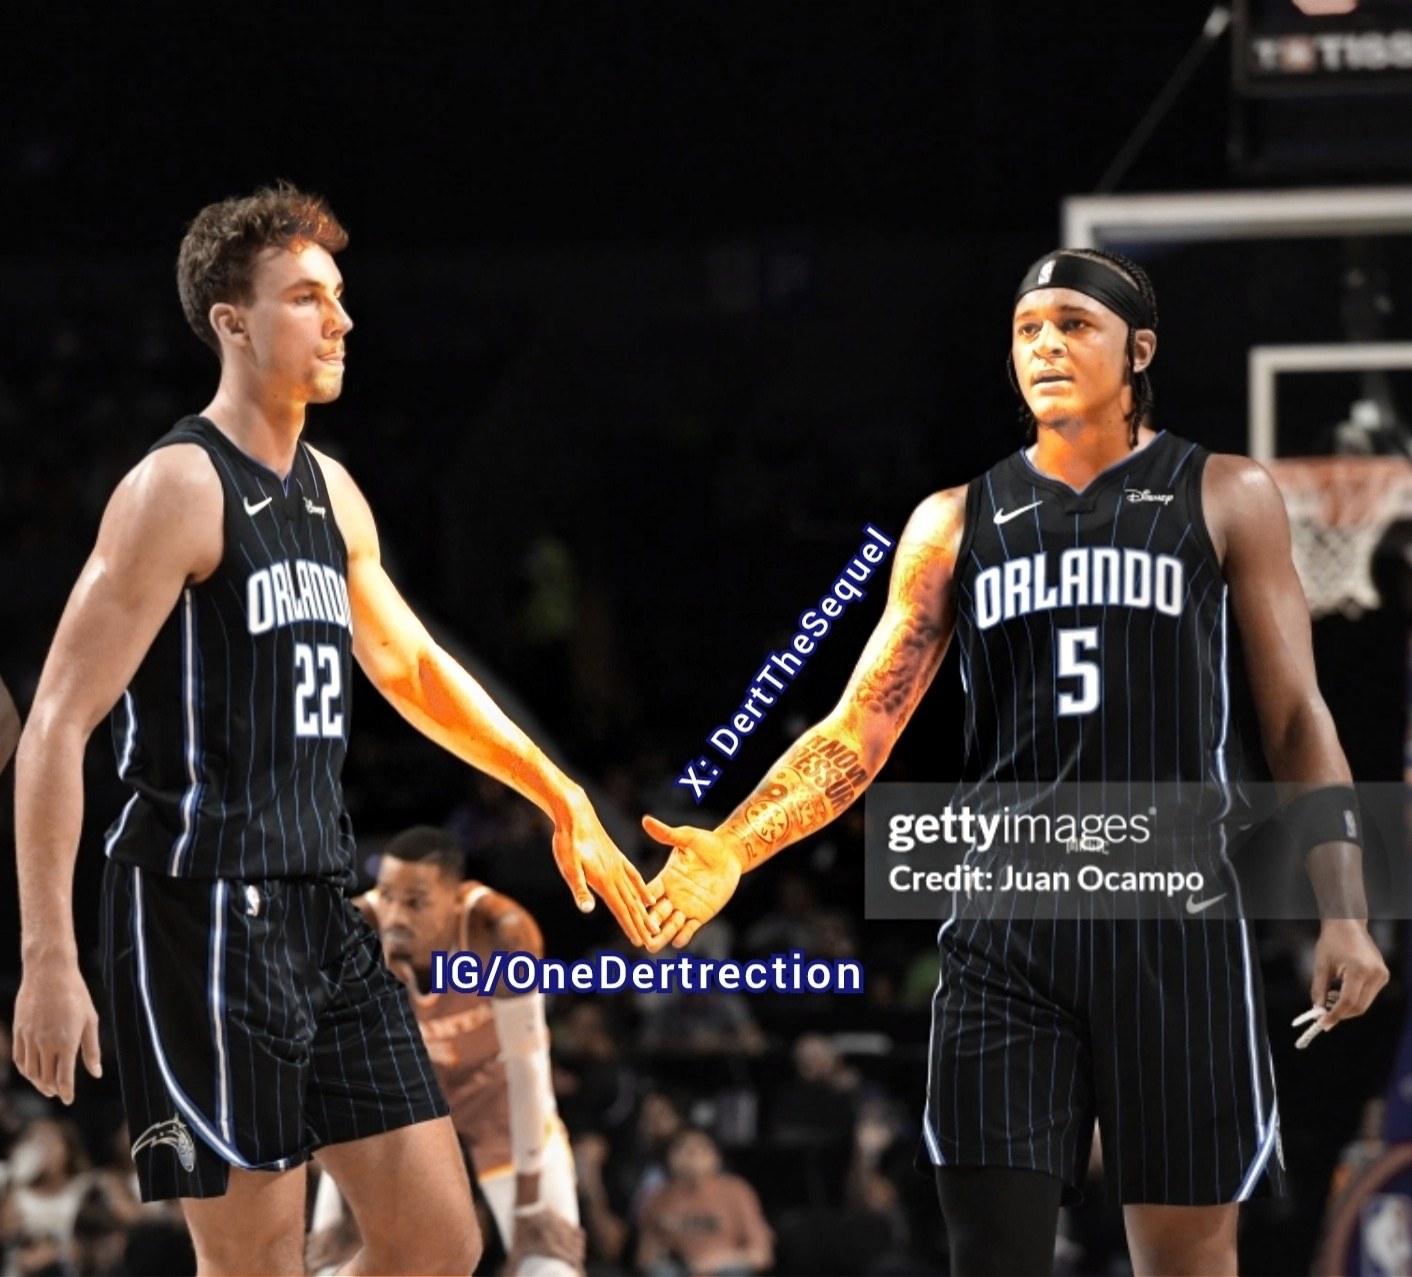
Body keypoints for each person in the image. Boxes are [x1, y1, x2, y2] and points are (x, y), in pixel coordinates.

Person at [641, 248, 1390, 1275]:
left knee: (1185, 1262)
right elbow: (855, 730)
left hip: (1174, 923)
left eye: (1072, 323)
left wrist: (1342, 907)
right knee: (990, 1254)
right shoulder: (950, 521)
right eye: (1025, 326)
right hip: (1008, 930)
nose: (1042, 342)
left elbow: (1297, 718)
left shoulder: (1223, 493)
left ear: (1138, 349)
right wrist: (732, 845)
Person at [10, 183, 655, 1276]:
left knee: (437, 1243)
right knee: (252, 1261)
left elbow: (409, 666)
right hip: (200, 913)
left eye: (339, 296)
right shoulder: (175, 485)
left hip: (321, 905)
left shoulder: (332, 492)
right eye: (308, 297)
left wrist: (560, 792)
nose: (341, 319)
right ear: (232, 321)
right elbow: (56, 725)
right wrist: (48, 955)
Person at [308, 824, 586, 1276]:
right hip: (402, 1111)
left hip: (496, 1098)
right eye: (387, 895)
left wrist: (530, 1203)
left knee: (550, 1263)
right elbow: (337, 1076)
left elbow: (528, 1070)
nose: (395, 915)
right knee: (328, 1260)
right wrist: (341, 1200)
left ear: (455, 900)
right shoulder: (354, 933)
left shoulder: (502, 933)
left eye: (415, 902)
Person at [635, 1128, 773, 1277]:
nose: (692, 1154)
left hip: (725, 1266)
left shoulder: (736, 1191)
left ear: (716, 1157)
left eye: (701, 1148)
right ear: (670, 1158)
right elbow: (644, 1258)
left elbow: (761, 1254)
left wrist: (717, 1262)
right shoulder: (657, 1197)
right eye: (683, 1149)